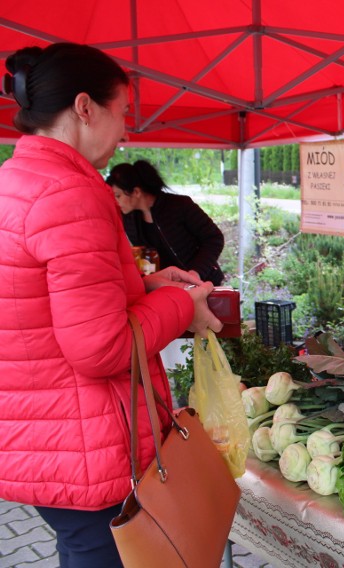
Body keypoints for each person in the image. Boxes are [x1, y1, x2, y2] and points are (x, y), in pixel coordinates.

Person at [0, 42, 222, 567]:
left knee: (80, 548)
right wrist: (181, 306)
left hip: (44, 432)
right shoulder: (68, 192)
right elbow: (101, 347)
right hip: (85, 445)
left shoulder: (15, 180)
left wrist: (145, 288)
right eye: (122, 112)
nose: (126, 131)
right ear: (84, 107)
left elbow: (40, 302)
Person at [107, 159, 226, 285]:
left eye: (118, 196)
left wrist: (195, 272)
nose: (116, 201)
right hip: (168, 287)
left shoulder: (180, 206)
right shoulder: (130, 218)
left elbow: (214, 238)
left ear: (136, 192)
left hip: (202, 283)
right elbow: (145, 255)